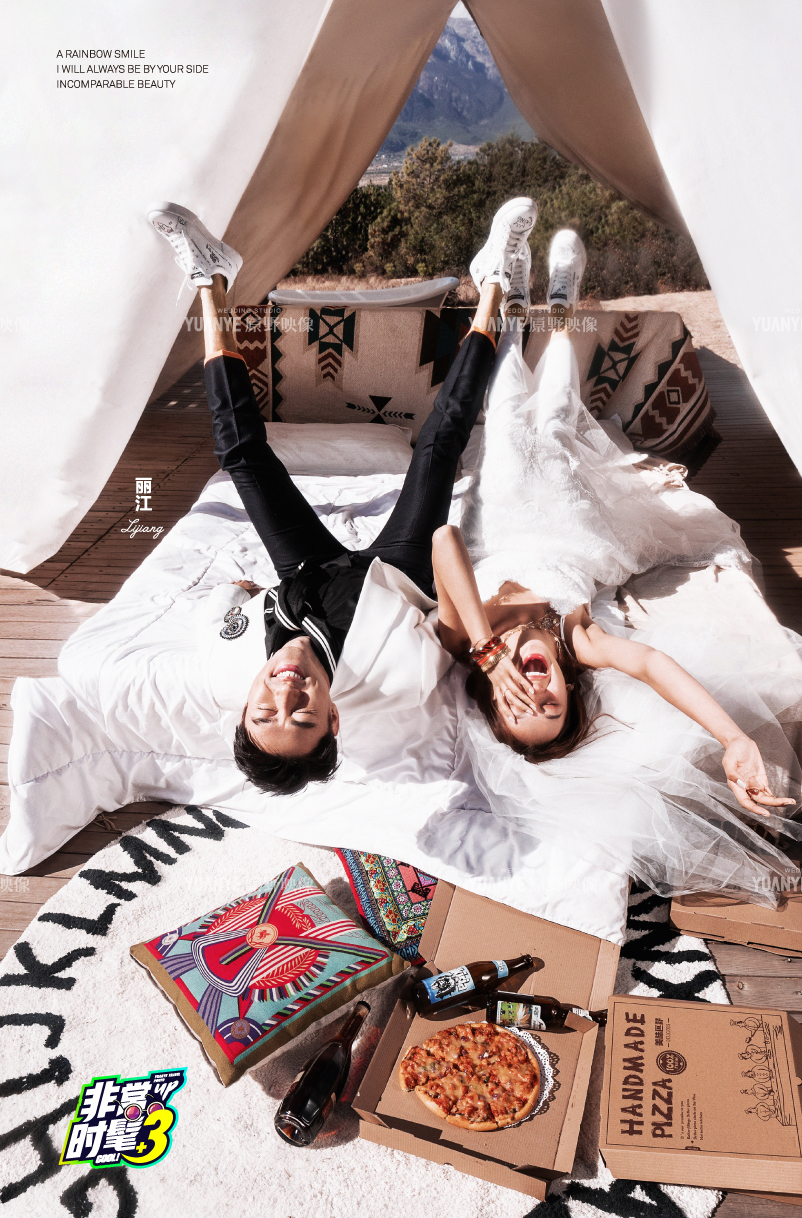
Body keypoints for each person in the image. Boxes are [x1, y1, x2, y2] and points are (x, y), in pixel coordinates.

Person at [431, 228, 802, 901]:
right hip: (573, 526)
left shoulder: (467, 644)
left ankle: (510, 307)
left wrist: (483, 646)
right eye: (553, 705)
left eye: (521, 707)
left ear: (494, 698)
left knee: (508, 420)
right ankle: (562, 304)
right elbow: (652, 666)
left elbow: (443, 542)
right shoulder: (579, 642)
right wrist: (731, 738)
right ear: (570, 688)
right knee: (555, 420)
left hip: (504, 519)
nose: (538, 693)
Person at [147, 197, 538, 795]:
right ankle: (493, 285)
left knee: (240, 453)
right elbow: (452, 619)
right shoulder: (400, 680)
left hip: (304, 573)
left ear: (244, 706)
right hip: (398, 571)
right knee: (439, 445)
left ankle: (211, 277)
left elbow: (226, 602)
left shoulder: (223, 660)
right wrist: (487, 645)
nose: (285, 693)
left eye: (265, 712)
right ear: (333, 719)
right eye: (303, 717)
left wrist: (247, 592)